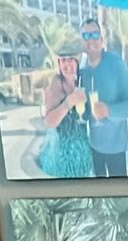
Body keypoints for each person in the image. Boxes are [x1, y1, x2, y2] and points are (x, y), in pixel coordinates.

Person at [77, 16, 128, 178]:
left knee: (119, 198)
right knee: (99, 195)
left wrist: (109, 110)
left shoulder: (116, 63)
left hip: (116, 147)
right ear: (82, 42)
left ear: (102, 39)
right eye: (86, 36)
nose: (91, 40)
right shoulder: (82, 69)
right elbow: (85, 109)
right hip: (94, 145)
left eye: (95, 35)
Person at [40, 40, 92, 177]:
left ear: (77, 62)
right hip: (62, 154)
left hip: (85, 151)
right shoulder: (55, 86)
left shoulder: (85, 81)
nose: (67, 64)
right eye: (63, 60)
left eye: (71, 59)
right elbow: (49, 122)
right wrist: (68, 103)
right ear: (59, 64)